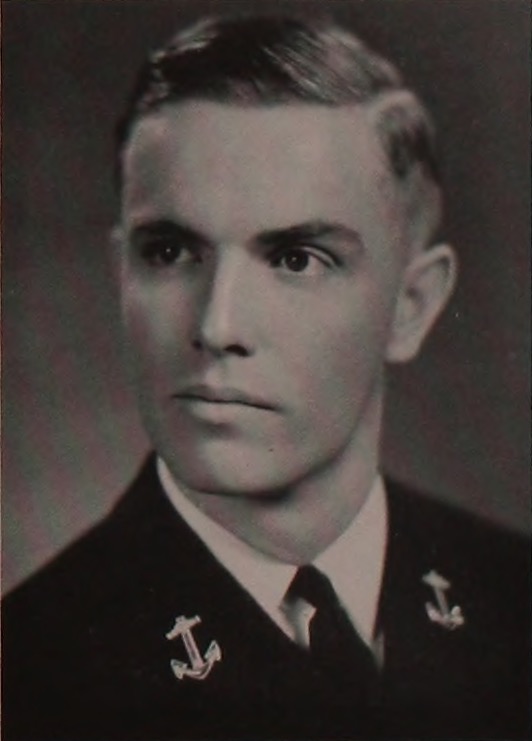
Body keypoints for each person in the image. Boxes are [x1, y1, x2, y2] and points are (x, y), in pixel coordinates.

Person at [2, 13, 529, 741]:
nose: (218, 326)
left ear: (410, 306)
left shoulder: (516, 600)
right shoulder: (27, 672)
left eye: (296, 259)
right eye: (169, 252)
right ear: (121, 275)